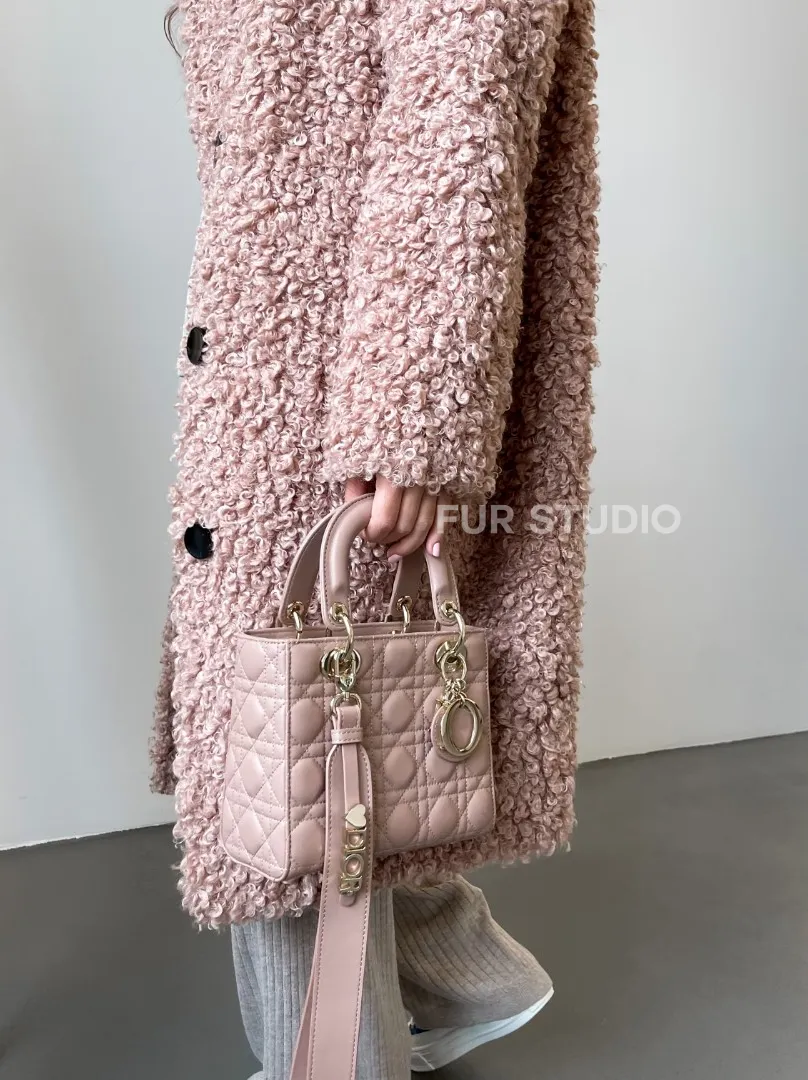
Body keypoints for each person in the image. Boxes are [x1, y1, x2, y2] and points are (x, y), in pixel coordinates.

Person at [152, 0, 599, 1076]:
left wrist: (411, 421)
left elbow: (458, 118)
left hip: (340, 393)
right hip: (292, 363)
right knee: (320, 735)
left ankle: (324, 1064)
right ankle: (468, 977)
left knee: (286, 761)